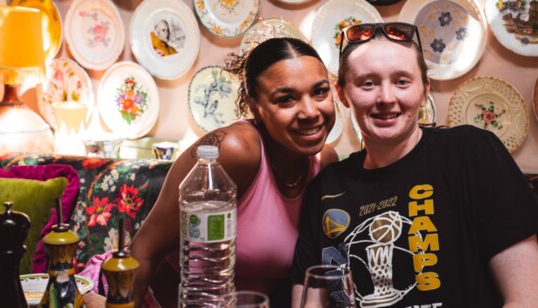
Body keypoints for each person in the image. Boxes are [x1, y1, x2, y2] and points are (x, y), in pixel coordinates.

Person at [291, 22, 538, 307]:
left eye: (402, 81)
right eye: (367, 83)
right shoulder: (326, 186)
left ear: (424, 92)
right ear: (343, 94)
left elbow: (527, 298)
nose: (386, 98)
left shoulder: (471, 153)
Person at [129, 37, 338, 307]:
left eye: (320, 92)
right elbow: (143, 252)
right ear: (254, 107)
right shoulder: (232, 151)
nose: (310, 111)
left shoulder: (325, 162)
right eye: (286, 99)